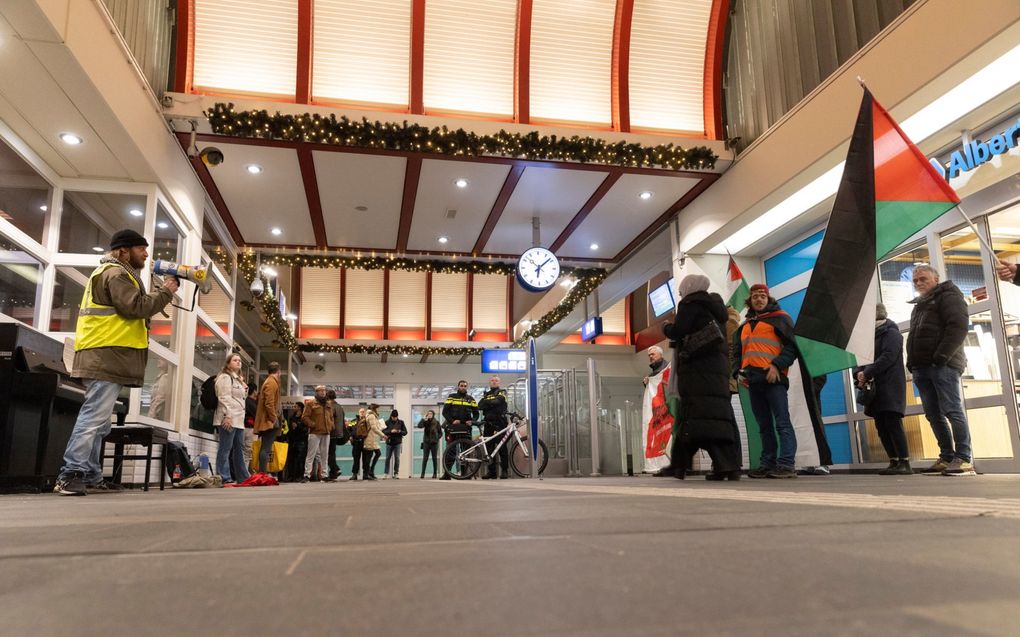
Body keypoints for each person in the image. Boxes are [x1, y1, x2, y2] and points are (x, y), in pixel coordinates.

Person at [54, 229, 178, 496]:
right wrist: (166, 292)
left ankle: (90, 474)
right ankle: (70, 473)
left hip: (107, 354)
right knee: (93, 418)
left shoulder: (117, 274)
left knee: (102, 422)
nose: (146, 254)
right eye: (140, 249)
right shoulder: (115, 273)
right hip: (104, 354)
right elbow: (136, 307)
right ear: (123, 250)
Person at [662, 275, 741, 480]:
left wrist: (666, 328)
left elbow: (678, 331)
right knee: (711, 419)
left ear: (690, 287)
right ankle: (725, 466)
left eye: (681, 289)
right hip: (717, 371)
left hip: (697, 371)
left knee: (695, 418)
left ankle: (681, 465)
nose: (680, 293)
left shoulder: (689, 304)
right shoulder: (717, 310)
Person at [906, 264, 975, 476]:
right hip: (921, 367)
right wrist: (911, 362)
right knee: (933, 414)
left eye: (923, 279)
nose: (918, 283)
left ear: (936, 279)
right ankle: (946, 457)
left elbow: (958, 327)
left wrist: (941, 357)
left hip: (943, 365)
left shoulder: (949, 297)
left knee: (952, 410)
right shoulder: (919, 305)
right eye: (915, 280)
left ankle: (963, 458)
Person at [733, 284, 799, 479]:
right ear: (750, 300)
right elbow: (737, 352)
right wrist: (737, 371)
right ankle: (767, 464)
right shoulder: (744, 326)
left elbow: (791, 347)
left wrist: (776, 365)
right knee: (764, 425)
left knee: (782, 423)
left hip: (774, 379)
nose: (759, 299)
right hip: (753, 381)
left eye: (762, 296)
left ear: (768, 299)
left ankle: (787, 464)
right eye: (755, 296)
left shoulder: (780, 319)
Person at [855, 304, 911, 475]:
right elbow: (859, 358)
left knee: (892, 423)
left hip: (890, 385)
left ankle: (905, 462)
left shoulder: (891, 333)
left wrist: (867, 372)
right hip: (874, 387)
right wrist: (858, 373)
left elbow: (888, 356)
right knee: (881, 425)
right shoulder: (867, 337)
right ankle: (893, 460)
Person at [214, 352, 250, 484]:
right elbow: (224, 397)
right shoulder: (224, 377)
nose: (238, 362)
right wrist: (227, 416)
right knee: (225, 448)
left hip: (239, 420)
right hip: (228, 418)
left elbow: (240, 399)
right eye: (235, 360)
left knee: (239, 449)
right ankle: (224, 477)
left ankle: (243, 477)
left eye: (240, 360)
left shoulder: (238, 379)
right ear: (228, 364)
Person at [440, 380, 479, 480]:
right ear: (458, 387)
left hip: (466, 428)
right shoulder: (452, 397)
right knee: (450, 451)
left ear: (467, 387)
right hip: (453, 427)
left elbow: (476, 414)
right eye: (461, 386)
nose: (463, 387)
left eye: (465, 386)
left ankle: (465, 475)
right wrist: (452, 421)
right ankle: (447, 474)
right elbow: (445, 412)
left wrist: (472, 421)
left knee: (465, 452)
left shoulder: (471, 399)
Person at [253, 362, 282, 474]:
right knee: (266, 448)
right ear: (278, 372)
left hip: (268, 419)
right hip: (269, 421)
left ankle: (262, 473)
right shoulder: (271, 382)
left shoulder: (269, 381)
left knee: (265, 447)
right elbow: (269, 403)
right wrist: (274, 418)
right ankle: (263, 474)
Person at [478, 375, 509, 479]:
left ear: (499, 382)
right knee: (489, 448)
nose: (494, 382)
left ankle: (504, 471)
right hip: (488, 424)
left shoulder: (502, 392)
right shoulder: (486, 394)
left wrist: (488, 403)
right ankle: (492, 472)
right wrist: (491, 403)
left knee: (502, 448)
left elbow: (498, 401)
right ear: (489, 382)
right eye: (492, 380)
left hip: (500, 423)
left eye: (496, 380)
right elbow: (480, 406)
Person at [301, 385, 334, 483]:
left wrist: (331, 425)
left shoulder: (328, 404)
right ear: (316, 392)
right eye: (320, 391)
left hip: (326, 432)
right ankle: (306, 475)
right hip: (315, 432)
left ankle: (324, 475)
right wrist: (312, 424)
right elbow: (304, 417)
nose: (323, 392)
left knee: (325, 455)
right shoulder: (311, 403)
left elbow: (331, 417)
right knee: (311, 454)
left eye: (324, 390)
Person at [362, 404, 386, 480]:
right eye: (377, 409)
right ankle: (367, 474)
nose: (377, 410)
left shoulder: (371, 415)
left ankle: (370, 472)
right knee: (369, 457)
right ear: (374, 409)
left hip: (373, 439)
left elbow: (375, 427)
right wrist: (383, 435)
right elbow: (374, 428)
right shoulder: (371, 416)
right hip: (370, 439)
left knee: (376, 454)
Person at [326, 389, 346, 480]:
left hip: (331, 432)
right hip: (338, 433)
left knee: (328, 453)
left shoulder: (331, 406)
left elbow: (329, 420)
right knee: (332, 452)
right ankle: (333, 472)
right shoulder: (339, 407)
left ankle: (335, 469)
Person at [417, 409, 442, 479]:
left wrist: (437, 438)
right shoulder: (425, 421)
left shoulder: (436, 422)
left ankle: (435, 474)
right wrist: (423, 419)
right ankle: (422, 474)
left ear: (433, 414)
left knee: (434, 459)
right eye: (428, 414)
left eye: (431, 413)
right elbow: (419, 426)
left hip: (434, 443)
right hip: (426, 442)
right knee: (425, 458)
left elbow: (440, 433)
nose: (429, 415)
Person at [384, 410, 407, 478]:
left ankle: (396, 473)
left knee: (397, 458)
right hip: (389, 442)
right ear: (391, 416)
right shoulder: (387, 422)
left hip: (398, 442)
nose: (395, 418)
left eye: (396, 417)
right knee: (387, 458)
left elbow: (405, 432)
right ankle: (386, 473)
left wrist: (399, 431)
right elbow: (383, 431)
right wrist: (390, 431)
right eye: (393, 417)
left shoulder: (401, 422)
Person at [348, 408, 367, 481]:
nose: (362, 413)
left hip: (365, 442)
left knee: (365, 459)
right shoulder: (353, 421)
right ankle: (354, 474)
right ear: (358, 412)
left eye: (363, 412)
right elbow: (348, 429)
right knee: (356, 459)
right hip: (356, 442)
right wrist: (350, 436)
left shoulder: (367, 421)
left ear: (365, 413)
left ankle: (365, 474)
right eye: (361, 412)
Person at [242, 384, 258, 469]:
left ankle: (241, 472)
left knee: (241, 451)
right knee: (248, 452)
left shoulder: (244, 400)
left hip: (242, 427)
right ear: (254, 391)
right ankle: (245, 473)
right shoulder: (251, 402)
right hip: (250, 429)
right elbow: (257, 416)